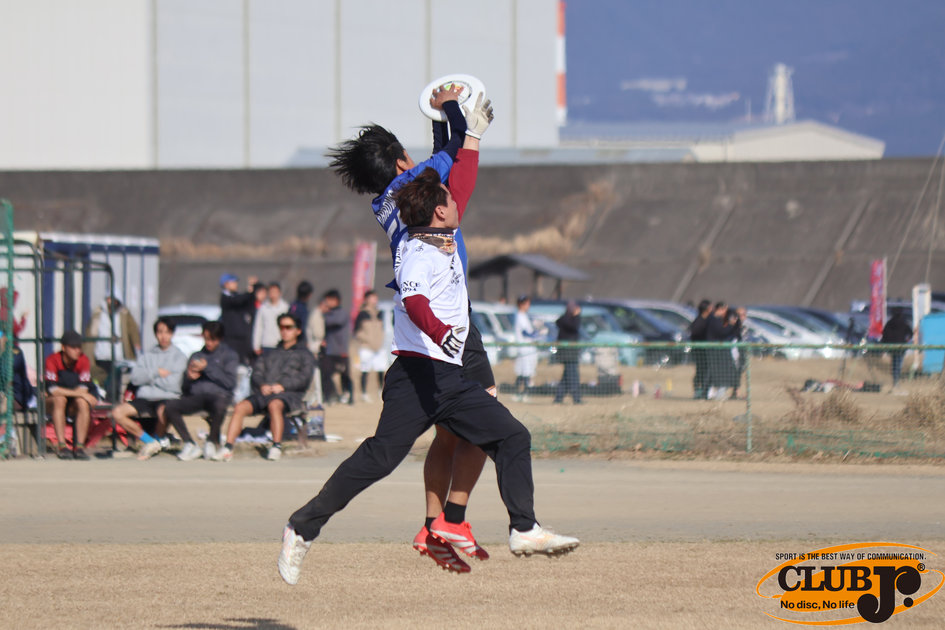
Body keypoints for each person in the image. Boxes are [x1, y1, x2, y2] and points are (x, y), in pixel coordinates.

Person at [278, 165, 579, 586]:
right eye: (450, 200)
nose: (458, 202)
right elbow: (415, 302)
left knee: (512, 436)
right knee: (380, 459)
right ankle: (301, 527)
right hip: (415, 377)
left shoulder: (444, 240)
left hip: (450, 380)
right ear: (439, 212)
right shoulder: (417, 253)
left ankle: (523, 528)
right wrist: (440, 331)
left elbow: (460, 176)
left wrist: (462, 128)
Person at [328, 86, 495, 572]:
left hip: (417, 327)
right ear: (402, 162)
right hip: (447, 316)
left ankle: (430, 525)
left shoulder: (387, 200)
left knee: (448, 434)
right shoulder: (416, 182)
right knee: (487, 423)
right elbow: (456, 150)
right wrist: (450, 107)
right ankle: (454, 520)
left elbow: (446, 159)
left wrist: (444, 124)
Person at [215, 312, 316, 462]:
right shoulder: (270, 353)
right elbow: (256, 373)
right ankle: (228, 447)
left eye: (288, 327)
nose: (284, 331)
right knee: (240, 407)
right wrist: (262, 385)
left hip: (290, 395)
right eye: (281, 327)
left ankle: (276, 446)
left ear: (298, 331)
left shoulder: (304, 354)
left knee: (275, 405)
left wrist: (283, 386)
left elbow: (304, 378)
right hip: (265, 394)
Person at [111, 317, 188, 460]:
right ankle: (151, 442)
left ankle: (157, 439)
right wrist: (157, 372)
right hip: (145, 397)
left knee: (164, 411)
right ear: (155, 334)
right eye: (160, 332)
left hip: (167, 397)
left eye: (167, 332)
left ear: (172, 334)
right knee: (117, 413)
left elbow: (175, 384)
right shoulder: (147, 356)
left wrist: (148, 380)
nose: (163, 336)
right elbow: (135, 378)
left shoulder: (179, 357)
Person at [163, 321, 239, 461]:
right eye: (206, 338)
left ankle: (211, 441)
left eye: (212, 339)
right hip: (197, 396)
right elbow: (184, 388)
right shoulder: (196, 356)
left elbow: (230, 383)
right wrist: (189, 378)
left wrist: (207, 368)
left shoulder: (229, 356)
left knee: (220, 405)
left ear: (220, 338)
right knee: (170, 406)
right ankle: (189, 443)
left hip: (218, 396)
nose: (208, 343)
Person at [44, 330, 99, 460]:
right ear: (63, 348)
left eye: (79, 347)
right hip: (54, 403)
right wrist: (78, 393)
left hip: (74, 402)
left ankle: (79, 447)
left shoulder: (83, 360)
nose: (77, 350)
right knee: (60, 399)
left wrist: (81, 395)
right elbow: (53, 390)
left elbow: (83, 389)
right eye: (73, 347)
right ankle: (62, 446)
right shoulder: (52, 360)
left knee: (82, 402)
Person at [85, 292, 140, 401]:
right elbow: (90, 332)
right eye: (109, 299)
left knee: (115, 380)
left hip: (117, 354)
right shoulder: (98, 313)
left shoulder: (124, 314)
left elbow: (133, 329)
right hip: (102, 354)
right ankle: (102, 398)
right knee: (101, 378)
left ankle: (112, 400)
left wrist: (136, 343)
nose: (111, 302)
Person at [317, 289, 353, 405]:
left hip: (341, 350)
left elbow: (335, 322)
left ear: (336, 300)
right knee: (325, 373)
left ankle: (348, 396)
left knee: (345, 374)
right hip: (330, 351)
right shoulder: (328, 313)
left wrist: (323, 314)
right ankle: (330, 396)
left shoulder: (341, 313)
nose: (327, 302)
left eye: (329, 300)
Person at [353, 290, 386, 402]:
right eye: (372, 298)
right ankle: (364, 393)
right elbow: (357, 331)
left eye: (375, 298)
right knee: (365, 370)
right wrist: (366, 339)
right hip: (366, 347)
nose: (374, 300)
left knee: (380, 370)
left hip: (379, 347)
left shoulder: (380, 313)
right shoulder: (362, 314)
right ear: (366, 299)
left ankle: (380, 391)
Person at [220, 273, 258, 365]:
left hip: (242, 335)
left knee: (243, 362)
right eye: (233, 282)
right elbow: (237, 300)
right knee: (232, 361)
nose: (236, 284)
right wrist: (248, 291)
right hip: (231, 337)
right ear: (226, 284)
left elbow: (248, 301)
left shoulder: (237, 295)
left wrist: (252, 289)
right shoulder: (225, 298)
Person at [553, 301, 583, 404]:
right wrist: (577, 315)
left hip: (571, 352)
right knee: (572, 375)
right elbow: (575, 326)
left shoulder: (566, 319)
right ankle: (576, 397)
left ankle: (559, 397)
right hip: (568, 352)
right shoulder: (567, 320)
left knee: (567, 376)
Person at [513, 295, 541, 401]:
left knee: (522, 371)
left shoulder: (523, 315)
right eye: (527, 304)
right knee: (526, 371)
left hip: (526, 348)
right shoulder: (520, 316)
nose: (528, 306)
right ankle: (525, 393)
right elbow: (526, 333)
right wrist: (538, 333)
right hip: (525, 348)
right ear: (521, 304)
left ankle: (518, 393)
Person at [253, 282, 289, 356]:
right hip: (266, 343)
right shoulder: (263, 308)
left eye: (275, 292)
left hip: (280, 343)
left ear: (280, 293)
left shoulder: (285, 307)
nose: (273, 294)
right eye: (271, 292)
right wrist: (256, 345)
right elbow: (258, 327)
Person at [881, 307, 913, 387]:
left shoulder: (889, 323)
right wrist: (906, 340)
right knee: (898, 363)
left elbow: (884, 335)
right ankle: (897, 380)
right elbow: (910, 333)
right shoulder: (904, 323)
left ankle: (895, 380)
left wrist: (885, 345)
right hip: (901, 346)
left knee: (894, 363)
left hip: (892, 347)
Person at [688, 299, 712, 399]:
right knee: (701, 371)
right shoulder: (699, 321)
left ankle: (705, 390)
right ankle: (699, 390)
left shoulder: (708, 320)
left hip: (706, 350)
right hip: (700, 351)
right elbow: (694, 334)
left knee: (706, 371)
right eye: (710, 307)